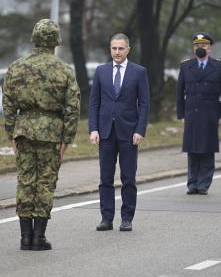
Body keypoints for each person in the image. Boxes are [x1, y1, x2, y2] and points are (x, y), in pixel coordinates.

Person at [3, 19, 80, 250]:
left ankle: (24, 238)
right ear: (56, 41)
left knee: (25, 182)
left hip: (23, 131)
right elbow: (72, 107)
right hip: (51, 133)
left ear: (34, 39)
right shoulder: (64, 70)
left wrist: (11, 134)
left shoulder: (16, 66)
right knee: (45, 184)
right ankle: (39, 237)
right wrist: (67, 138)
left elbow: (7, 103)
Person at [89, 33, 150, 231]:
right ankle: (106, 218)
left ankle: (127, 218)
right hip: (105, 132)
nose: (117, 52)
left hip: (129, 132)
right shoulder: (101, 71)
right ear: (110, 49)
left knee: (128, 178)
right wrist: (94, 129)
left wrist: (140, 130)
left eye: (121, 48)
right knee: (105, 178)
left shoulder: (139, 72)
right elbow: (94, 103)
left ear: (128, 50)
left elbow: (144, 103)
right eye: (114, 48)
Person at [176, 32, 221, 195]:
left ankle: (203, 184)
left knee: (207, 149)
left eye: (204, 45)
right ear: (193, 48)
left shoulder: (220, 67)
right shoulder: (185, 67)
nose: (201, 48)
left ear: (210, 48)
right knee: (192, 149)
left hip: (210, 113)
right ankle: (192, 184)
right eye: (197, 45)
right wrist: (181, 114)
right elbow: (179, 93)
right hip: (191, 113)